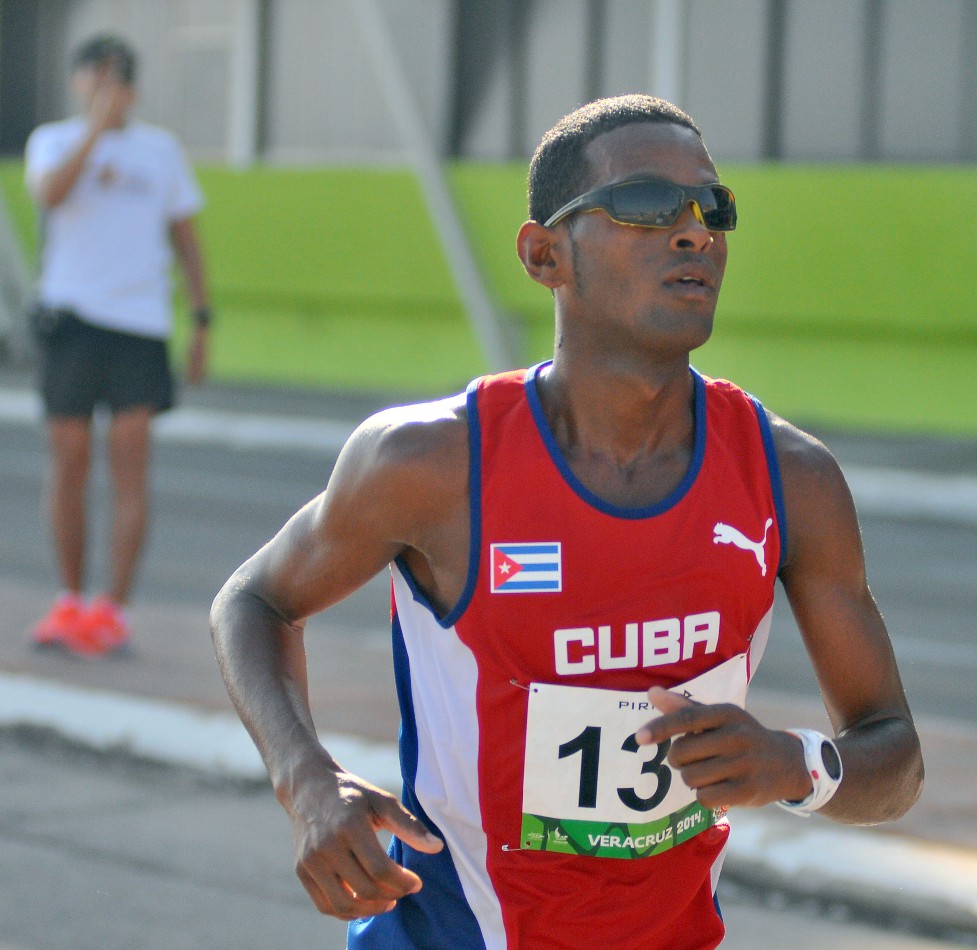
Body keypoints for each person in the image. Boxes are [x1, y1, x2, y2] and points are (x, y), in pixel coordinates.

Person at [210, 94, 923, 949]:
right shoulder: (431, 463)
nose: (695, 232)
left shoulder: (789, 479)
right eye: (648, 205)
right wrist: (308, 780)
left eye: (712, 207)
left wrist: (796, 765)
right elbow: (254, 601)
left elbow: (896, 759)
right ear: (545, 254)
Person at [26, 35, 212, 656]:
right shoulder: (53, 140)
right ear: (79, 82)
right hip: (73, 318)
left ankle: (115, 610)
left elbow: (186, 236)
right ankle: (71, 599)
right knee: (70, 455)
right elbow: (49, 196)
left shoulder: (160, 151)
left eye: (118, 80)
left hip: (140, 323)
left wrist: (203, 319)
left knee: (130, 458)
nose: (109, 90)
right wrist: (95, 132)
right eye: (97, 78)